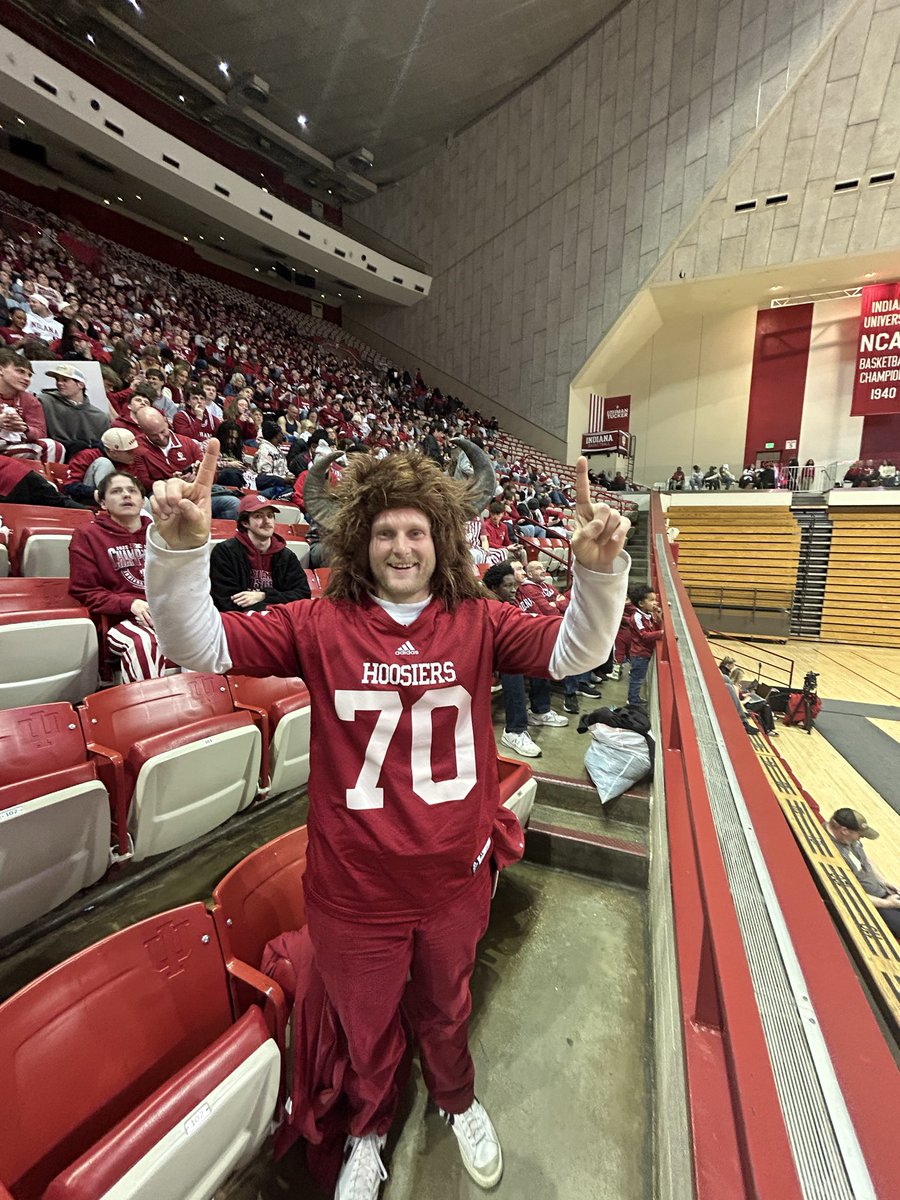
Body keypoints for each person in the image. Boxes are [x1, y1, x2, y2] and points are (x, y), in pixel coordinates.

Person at [145, 440, 630, 1200]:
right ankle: (369, 1125)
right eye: (385, 533)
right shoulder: (316, 621)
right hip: (353, 889)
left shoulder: (478, 618)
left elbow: (577, 650)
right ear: (359, 543)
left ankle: (455, 1098)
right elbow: (196, 645)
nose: (402, 547)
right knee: (365, 1025)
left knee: (447, 1008)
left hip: (452, 877)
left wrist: (599, 571)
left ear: (441, 540)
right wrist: (176, 556)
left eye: (416, 532)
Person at [68, 471, 173, 682]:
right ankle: (150, 712)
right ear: (104, 503)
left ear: (142, 501)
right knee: (144, 642)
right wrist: (130, 603)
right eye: (117, 491)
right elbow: (85, 591)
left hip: (165, 616)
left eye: (132, 491)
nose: (126, 495)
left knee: (205, 634)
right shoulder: (87, 535)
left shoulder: (159, 534)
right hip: (119, 621)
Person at [209, 495, 311, 612]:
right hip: (240, 622)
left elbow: (302, 594)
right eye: (258, 516)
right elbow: (227, 601)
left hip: (279, 621)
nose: (267, 521)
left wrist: (264, 595)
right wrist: (274, 606)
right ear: (245, 523)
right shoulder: (225, 552)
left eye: (270, 516)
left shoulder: (287, 556)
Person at [825, 809, 900, 937]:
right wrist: (887, 903)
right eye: (860, 834)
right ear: (844, 830)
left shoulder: (849, 839)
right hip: (873, 903)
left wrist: (884, 881)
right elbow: (848, 892)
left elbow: (866, 860)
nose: (862, 837)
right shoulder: (830, 854)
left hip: (884, 893)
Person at [0, 347, 64, 462]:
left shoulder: (30, 399)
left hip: (13, 447)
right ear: (1, 370)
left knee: (53, 446)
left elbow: (41, 433)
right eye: (20, 371)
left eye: (29, 375)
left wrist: (25, 429)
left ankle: (45, 479)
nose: (26, 379)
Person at [38, 364, 110, 458]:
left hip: (86, 459)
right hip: (53, 455)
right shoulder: (44, 401)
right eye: (57, 379)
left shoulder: (100, 417)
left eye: (65, 380)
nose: (59, 383)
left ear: (81, 384)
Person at [63, 427, 142, 503]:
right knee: (104, 463)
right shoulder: (88, 455)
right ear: (113, 452)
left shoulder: (129, 461)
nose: (135, 454)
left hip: (120, 498)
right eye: (129, 452)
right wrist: (96, 493)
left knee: (144, 500)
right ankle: (109, 495)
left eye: (135, 450)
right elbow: (70, 486)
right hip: (87, 498)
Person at [626, 584, 663, 705]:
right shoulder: (637, 617)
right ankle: (632, 701)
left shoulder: (648, 615)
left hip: (645, 653)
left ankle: (634, 698)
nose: (655, 603)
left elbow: (654, 629)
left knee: (638, 678)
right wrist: (661, 633)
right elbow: (644, 635)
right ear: (641, 603)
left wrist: (657, 617)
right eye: (651, 600)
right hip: (639, 654)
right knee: (637, 679)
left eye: (655, 600)